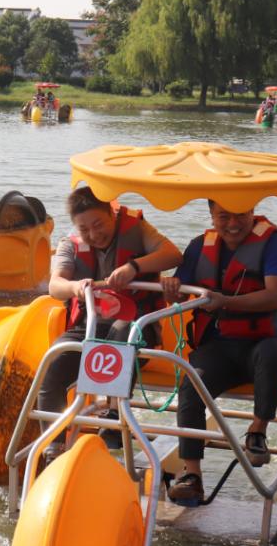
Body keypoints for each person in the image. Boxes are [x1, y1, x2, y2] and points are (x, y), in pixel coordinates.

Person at [160, 200, 277, 505]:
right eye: (224, 216)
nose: (233, 223)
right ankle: (191, 475)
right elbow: (181, 292)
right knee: (192, 381)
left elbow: (276, 296)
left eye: (240, 215)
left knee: (273, 353)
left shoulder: (273, 242)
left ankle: (257, 432)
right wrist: (170, 289)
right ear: (212, 216)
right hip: (218, 347)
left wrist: (224, 301)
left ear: (252, 211)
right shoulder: (198, 246)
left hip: (264, 343)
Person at [38, 186, 182, 461]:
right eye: (85, 229)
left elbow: (173, 254)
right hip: (89, 326)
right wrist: (75, 287)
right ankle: (51, 447)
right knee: (54, 362)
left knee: (122, 333)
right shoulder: (71, 244)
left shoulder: (137, 230)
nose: (93, 234)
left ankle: (114, 415)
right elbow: (55, 285)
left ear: (111, 214)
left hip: (137, 325)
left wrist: (134, 267)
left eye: (99, 224)